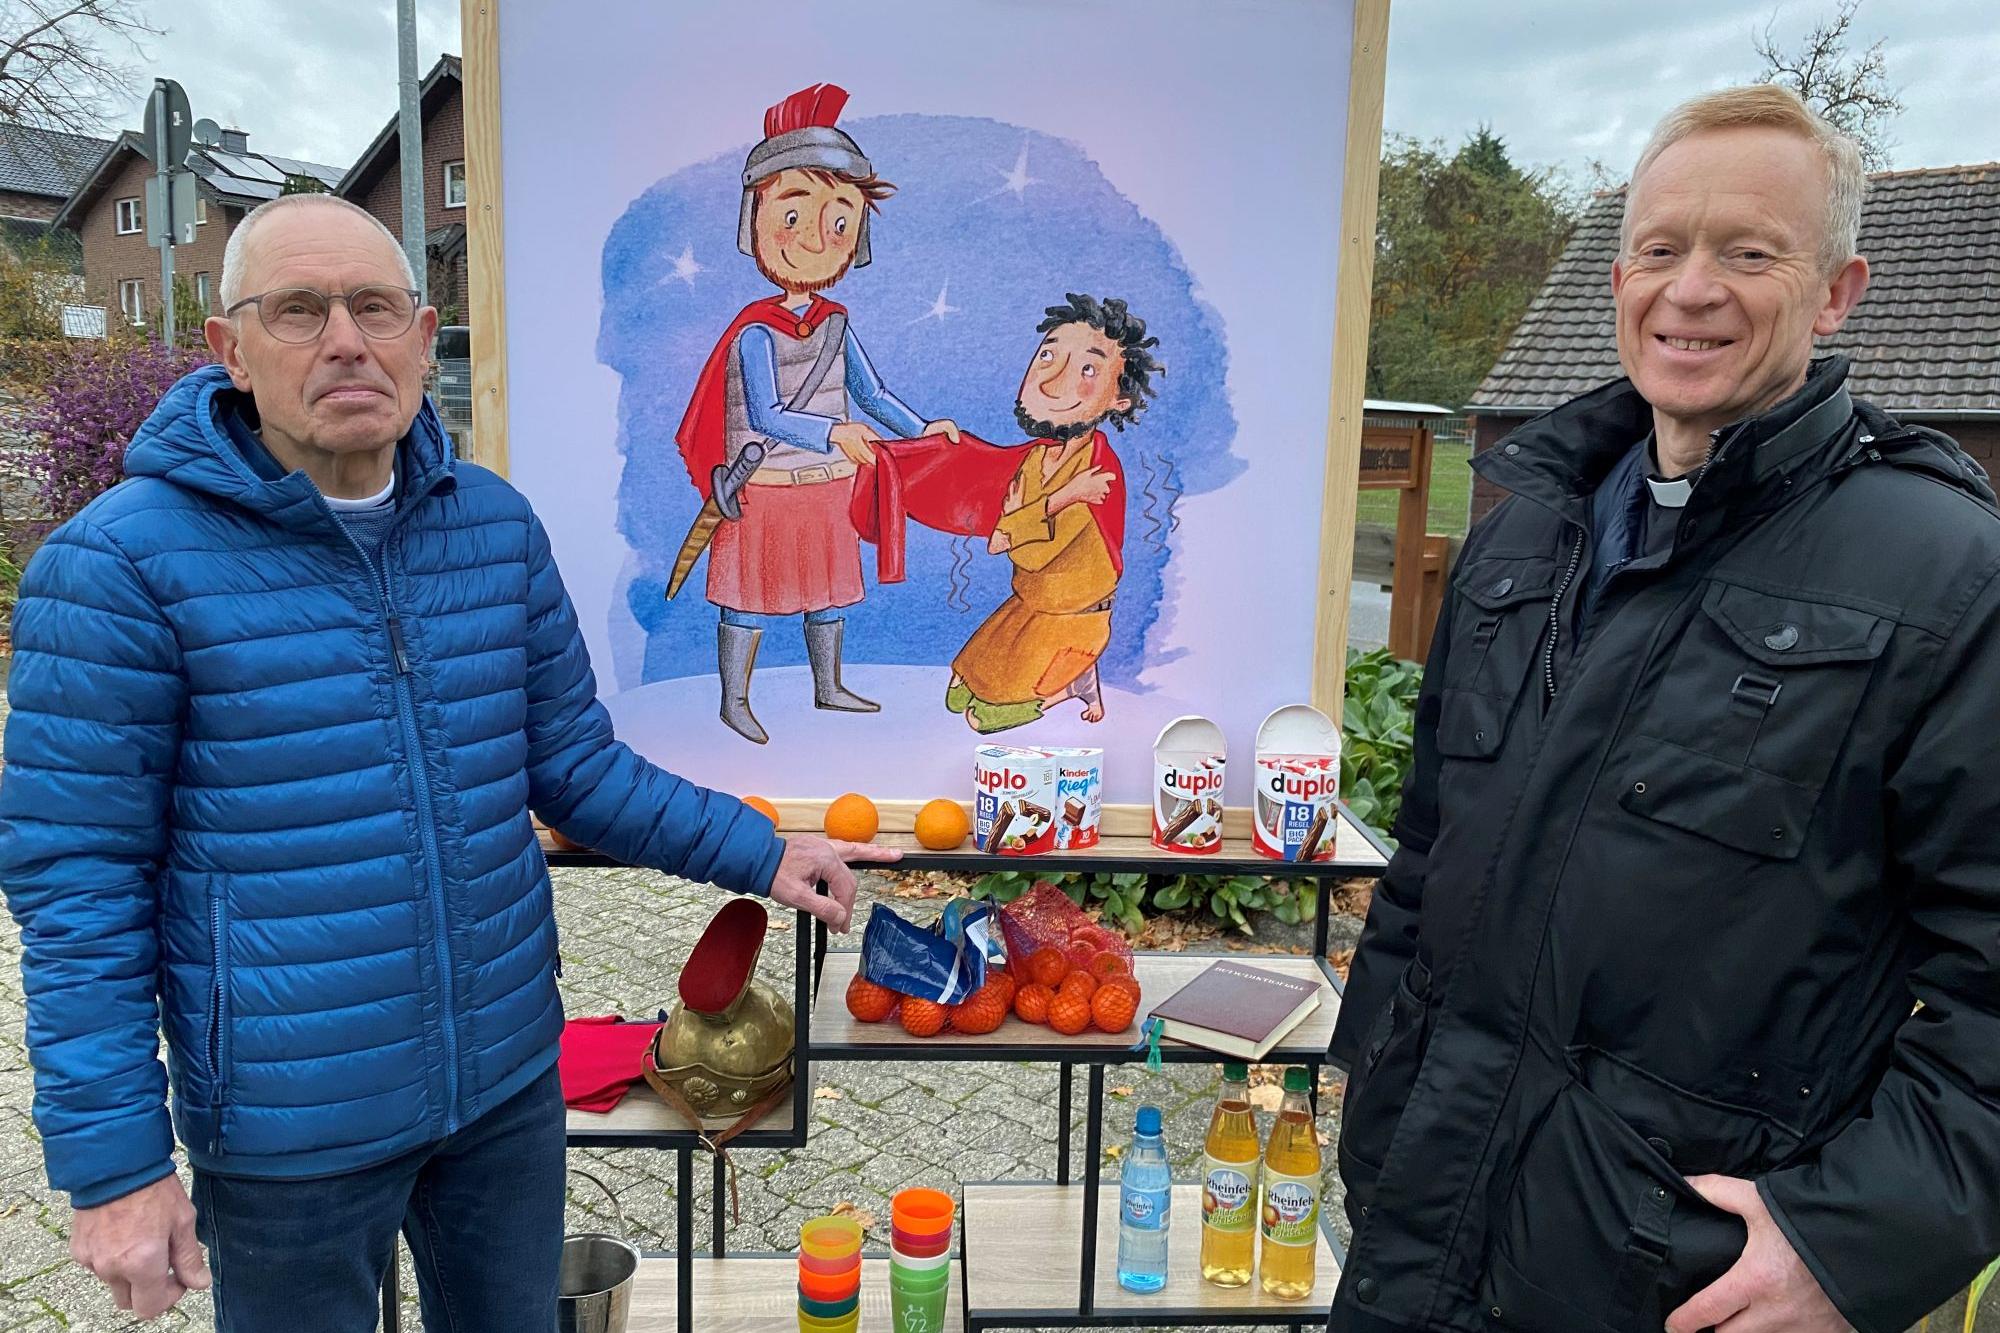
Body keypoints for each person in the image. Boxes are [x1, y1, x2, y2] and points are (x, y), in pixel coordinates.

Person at [0, 192, 894, 1331]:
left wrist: (760, 850)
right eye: (297, 309)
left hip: (504, 1088)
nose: (343, 339)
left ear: (423, 340)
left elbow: (571, 764)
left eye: (374, 306)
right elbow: (78, 890)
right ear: (228, 349)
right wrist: (117, 1165)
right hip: (291, 1124)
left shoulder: (491, 526)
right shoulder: (118, 566)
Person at [1329, 84, 2000, 1333]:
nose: (1689, 290)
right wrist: (1372, 1071)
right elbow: (1428, 854)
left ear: (1836, 291)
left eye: (1748, 253)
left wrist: (1849, 1245)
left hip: (1667, 1276)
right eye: (1658, 249)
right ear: (1620, 275)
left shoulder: (1946, 581)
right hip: (1419, 1219)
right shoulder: (1522, 526)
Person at [674, 81, 958, 744]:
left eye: (838, 222)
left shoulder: (835, 321)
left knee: (826, 593)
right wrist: (837, 431)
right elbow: (768, 414)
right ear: (757, 220)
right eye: (794, 217)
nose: (814, 240)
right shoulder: (753, 330)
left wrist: (923, 429)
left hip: (823, 485)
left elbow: (873, 393)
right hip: (764, 487)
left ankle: (829, 687)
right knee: (744, 601)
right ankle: (735, 699)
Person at [946, 293, 1160, 733]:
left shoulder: (1098, 476)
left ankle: (1072, 685)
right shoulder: (1035, 460)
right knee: (959, 689)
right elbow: (1000, 541)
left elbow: (1026, 551)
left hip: (1073, 619)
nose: (1052, 380)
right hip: (1029, 605)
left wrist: (1031, 514)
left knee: (981, 717)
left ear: (1117, 401)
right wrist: (1033, 514)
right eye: (1048, 355)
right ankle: (1073, 680)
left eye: (1087, 369)